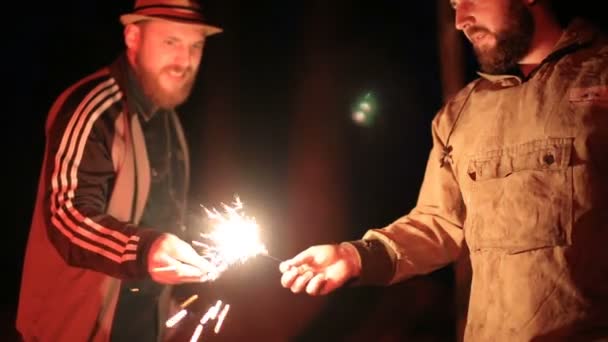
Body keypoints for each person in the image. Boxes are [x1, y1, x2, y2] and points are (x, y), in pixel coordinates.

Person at [280, 0, 608, 340]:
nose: (461, 20)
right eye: (453, 4)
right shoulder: (461, 114)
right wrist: (354, 256)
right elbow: (439, 222)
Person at [16, 1, 224, 341]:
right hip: (73, 329)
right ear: (133, 37)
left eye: (195, 46)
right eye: (171, 42)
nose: (184, 61)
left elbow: (162, 212)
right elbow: (65, 216)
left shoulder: (167, 118)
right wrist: (147, 250)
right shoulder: (95, 107)